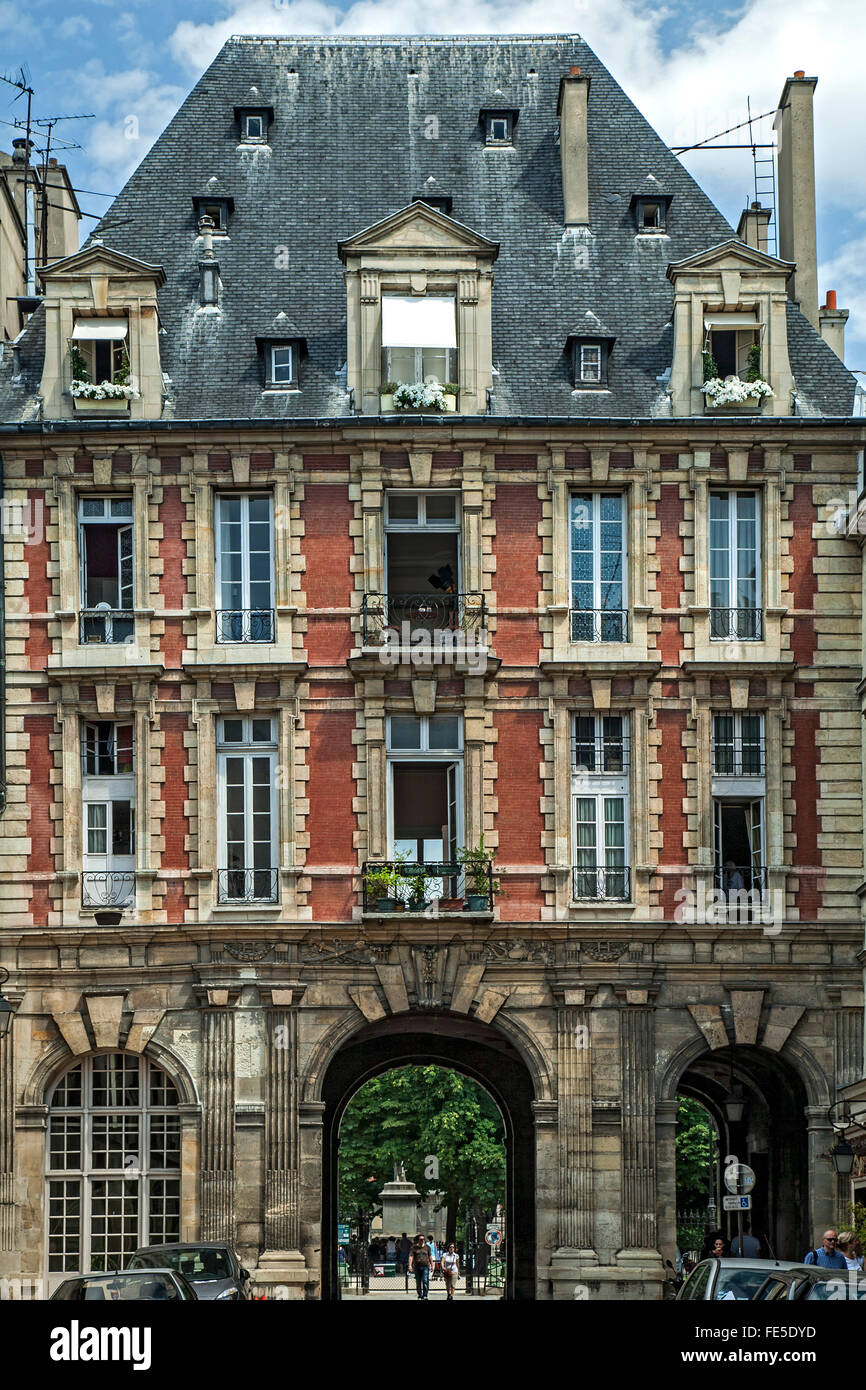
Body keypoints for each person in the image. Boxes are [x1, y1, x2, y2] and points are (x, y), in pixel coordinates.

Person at [409, 1233, 433, 1299]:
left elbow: (430, 1256)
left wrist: (432, 1265)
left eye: (423, 1239)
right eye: (420, 1239)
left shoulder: (427, 1247)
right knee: (418, 1282)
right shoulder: (414, 1247)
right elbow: (411, 1256)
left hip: (425, 1266)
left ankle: (425, 1295)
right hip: (417, 1266)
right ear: (418, 1240)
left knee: (425, 1281)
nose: (422, 1240)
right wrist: (410, 1265)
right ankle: (420, 1294)